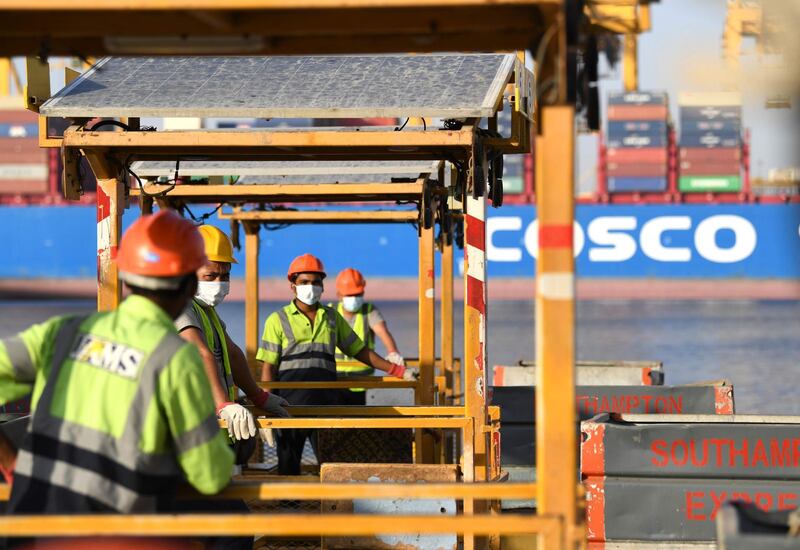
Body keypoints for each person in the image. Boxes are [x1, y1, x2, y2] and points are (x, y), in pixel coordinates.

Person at [0, 210, 234, 515]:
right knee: (234, 521)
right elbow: (210, 474)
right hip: (114, 532)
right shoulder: (176, 357)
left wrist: (11, 464)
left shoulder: (61, 332)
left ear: (125, 278)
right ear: (191, 287)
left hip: (33, 520)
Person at [257, 254, 419, 475]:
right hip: (288, 406)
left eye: (315, 282)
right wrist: (266, 407)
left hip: (326, 405)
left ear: (323, 287)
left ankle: (332, 508)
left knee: (332, 464)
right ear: (293, 286)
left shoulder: (332, 318)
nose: (310, 287)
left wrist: (397, 370)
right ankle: (289, 507)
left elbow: (360, 351)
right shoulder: (277, 320)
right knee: (288, 465)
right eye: (304, 282)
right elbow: (268, 366)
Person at [175, 225, 289, 450]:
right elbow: (200, 352)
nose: (218, 283)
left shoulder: (207, 311)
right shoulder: (180, 306)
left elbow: (233, 355)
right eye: (210, 276)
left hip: (212, 425)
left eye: (224, 276)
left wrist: (258, 397)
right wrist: (224, 404)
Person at [331, 267, 404, 406]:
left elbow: (383, 332)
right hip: (335, 381)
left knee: (357, 421)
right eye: (349, 295)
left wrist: (393, 352)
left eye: (357, 294)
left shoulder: (369, 311)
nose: (354, 299)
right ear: (339, 295)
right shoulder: (330, 312)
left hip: (361, 381)